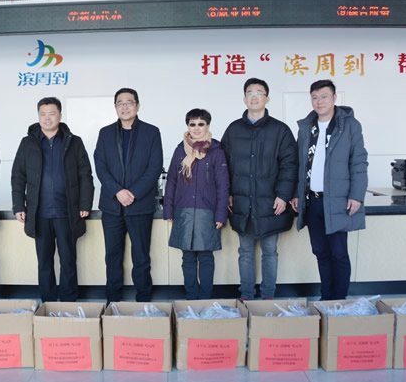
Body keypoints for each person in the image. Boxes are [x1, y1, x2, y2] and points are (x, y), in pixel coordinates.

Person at [291, 79, 368, 300]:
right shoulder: (307, 127)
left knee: (339, 253)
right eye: (315, 97)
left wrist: (356, 195)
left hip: (337, 200)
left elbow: (359, 162)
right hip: (312, 200)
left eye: (324, 96)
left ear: (334, 98)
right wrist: (296, 193)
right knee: (320, 252)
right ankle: (326, 299)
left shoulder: (350, 126)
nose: (319, 101)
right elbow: (299, 164)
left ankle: (339, 301)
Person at [11, 97, 94, 302]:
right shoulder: (28, 143)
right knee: (44, 262)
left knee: (68, 260)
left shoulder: (74, 142)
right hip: (40, 213)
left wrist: (85, 203)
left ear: (60, 116)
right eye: (43, 114)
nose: (47, 118)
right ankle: (47, 302)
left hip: (67, 212)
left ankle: (68, 301)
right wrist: (19, 205)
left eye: (52, 113)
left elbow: (85, 175)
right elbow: (18, 176)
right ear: (38, 116)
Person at [221, 78, 297, 300]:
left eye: (259, 92)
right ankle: (246, 296)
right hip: (242, 202)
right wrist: (228, 193)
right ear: (244, 99)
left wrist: (283, 195)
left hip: (270, 203)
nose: (254, 97)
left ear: (267, 98)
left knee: (270, 251)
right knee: (245, 251)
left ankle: (267, 297)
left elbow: (290, 165)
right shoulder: (233, 129)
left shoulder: (280, 130)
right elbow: (223, 165)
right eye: (250, 93)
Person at [94, 88, 163, 302]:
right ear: (115, 107)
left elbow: (154, 167)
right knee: (112, 256)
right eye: (120, 103)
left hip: (140, 205)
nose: (124, 106)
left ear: (138, 106)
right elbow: (100, 166)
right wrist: (118, 191)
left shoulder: (151, 132)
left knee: (141, 256)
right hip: (112, 206)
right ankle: (113, 300)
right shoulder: (105, 133)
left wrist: (132, 193)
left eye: (129, 102)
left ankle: (143, 300)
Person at [164, 108, 229, 300]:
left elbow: (223, 185)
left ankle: (206, 297)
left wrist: (221, 214)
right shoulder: (179, 150)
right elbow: (171, 182)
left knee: (206, 257)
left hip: (207, 212)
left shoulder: (217, 152)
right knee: (188, 257)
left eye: (201, 124)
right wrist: (168, 210)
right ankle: (191, 297)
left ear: (208, 126)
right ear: (188, 127)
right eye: (192, 124)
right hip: (184, 211)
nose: (197, 128)